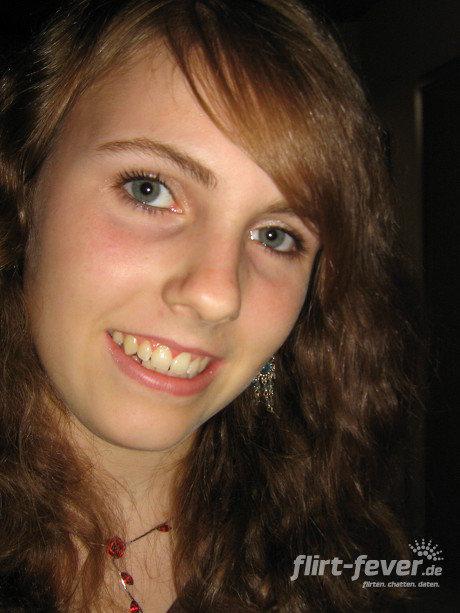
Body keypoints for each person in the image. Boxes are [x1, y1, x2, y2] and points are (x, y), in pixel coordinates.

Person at [0, 0, 420, 611]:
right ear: (25, 183)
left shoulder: (332, 552)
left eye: (276, 235)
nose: (218, 294)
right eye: (149, 189)